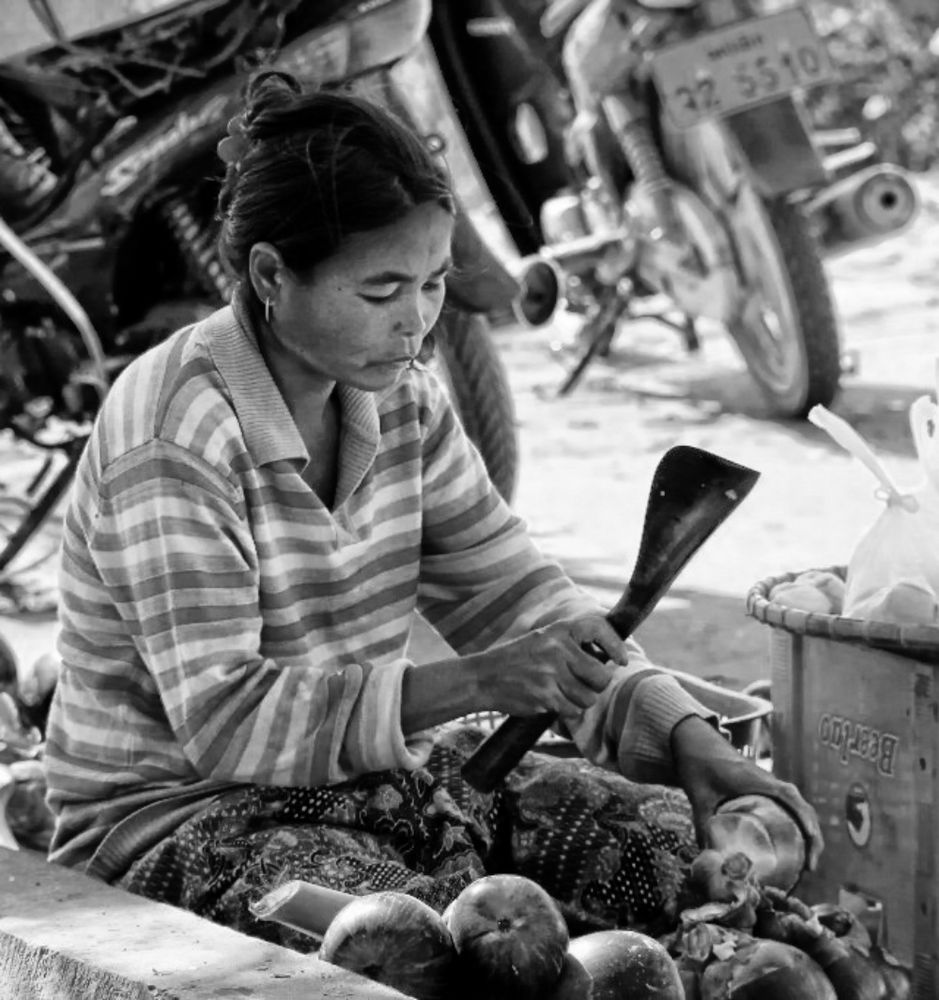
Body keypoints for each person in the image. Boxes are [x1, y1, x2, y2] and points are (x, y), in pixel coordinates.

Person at [43, 71, 821, 949]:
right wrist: (484, 681)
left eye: (433, 284)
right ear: (270, 273)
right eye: (381, 292)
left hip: (365, 777)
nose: (415, 324)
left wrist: (682, 734)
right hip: (179, 821)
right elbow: (229, 725)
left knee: (682, 854)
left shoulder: (402, 399)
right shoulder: (175, 430)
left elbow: (516, 597)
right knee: (423, 943)